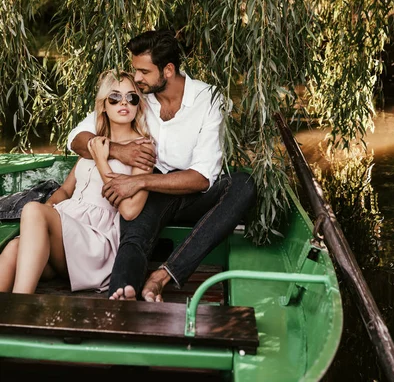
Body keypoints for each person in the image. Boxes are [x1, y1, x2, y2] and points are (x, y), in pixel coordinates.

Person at [67, 29, 256, 302]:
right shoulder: (135, 95)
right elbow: (77, 139)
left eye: (144, 71)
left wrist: (139, 181)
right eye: (135, 70)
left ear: (168, 70)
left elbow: (202, 178)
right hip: (152, 194)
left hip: (194, 195)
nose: (137, 78)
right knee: (134, 235)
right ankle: (121, 294)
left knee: (243, 185)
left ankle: (163, 276)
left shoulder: (208, 99)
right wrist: (121, 152)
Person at [0, 70, 152, 294]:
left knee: (33, 209)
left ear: (138, 104)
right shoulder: (93, 141)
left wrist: (102, 160)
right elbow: (65, 190)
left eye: (132, 97)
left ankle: (23, 303)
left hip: (95, 241)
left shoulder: (142, 149)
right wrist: (45, 216)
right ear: (103, 105)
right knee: (14, 246)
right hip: (66, 231)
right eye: (115, 97)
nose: (124, 103)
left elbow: (130, 211)